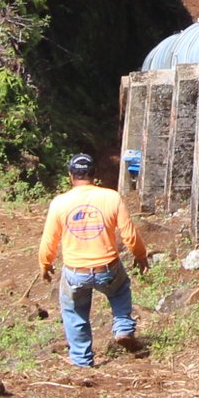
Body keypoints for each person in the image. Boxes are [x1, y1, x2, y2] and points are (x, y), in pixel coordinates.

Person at [37, 152, 151, 366]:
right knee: (120, 291)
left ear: (71, 175)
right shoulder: (111, 197)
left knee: (74, 312)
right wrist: (140, 256)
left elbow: (49, 241)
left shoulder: (59, 203)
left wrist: (45, 264)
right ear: (94, 175)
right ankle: (123, 328)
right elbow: (129, 234)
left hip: (75, 272)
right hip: (107, 268)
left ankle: (81, 360)